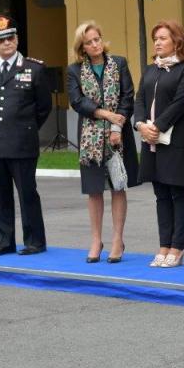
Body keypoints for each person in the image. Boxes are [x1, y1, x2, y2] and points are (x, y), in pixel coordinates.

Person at [0, 15, 52, 256]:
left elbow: (43, 107)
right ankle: (3, 242)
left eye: (10, 38)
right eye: (1, 40)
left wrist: (26, 127)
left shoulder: (34, 68)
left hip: (22, 142)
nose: (6, 43)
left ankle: (34, 241)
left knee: (27, 194)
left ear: (17, 39)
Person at [66, 21, 140, 264]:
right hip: (90, 138)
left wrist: (116, 126)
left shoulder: (119, 63)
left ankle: (118, 239)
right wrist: (106, 115)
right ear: (82, 48)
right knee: (94, 190)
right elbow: (77, 101)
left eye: (97, 39)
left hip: (119, 135)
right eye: (88, 42)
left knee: (118, 186)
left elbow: (127, 96)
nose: (95, 45)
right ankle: (96, 240)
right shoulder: (74, 70)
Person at [134, 21, 184, 268]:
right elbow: (140, 99)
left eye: (162, 38)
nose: (157, 43)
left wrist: (157, 126)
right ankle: (164, 245)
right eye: (155, 39)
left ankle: (178, 247)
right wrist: (141, 125)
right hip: (151, 140)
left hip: (176, 141)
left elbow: (180, 103)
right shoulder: (151, 69)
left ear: (176, 41)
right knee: (160, 193)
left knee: (177, 193)